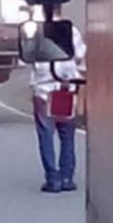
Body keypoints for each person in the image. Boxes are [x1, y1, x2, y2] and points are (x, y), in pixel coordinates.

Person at [30, 16, 86, 193]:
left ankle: (53, 178)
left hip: (43, 90)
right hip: (66, 88)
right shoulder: (72, 30)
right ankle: (67, 177)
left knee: (46, 136)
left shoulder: (35, 32)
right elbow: (80, 55)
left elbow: (26, 59)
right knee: (67, 135)